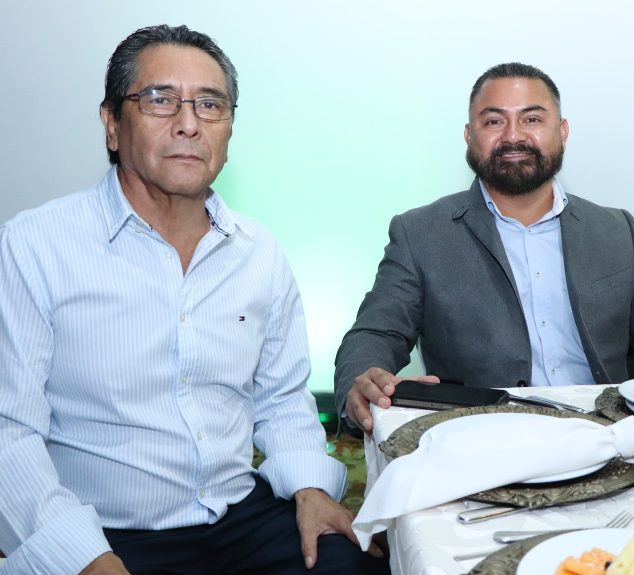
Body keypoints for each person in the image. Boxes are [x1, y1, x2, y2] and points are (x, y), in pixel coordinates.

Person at [0, 25, 386, 574]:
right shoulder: (34, 246)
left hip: (240, 517)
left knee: (356, 564)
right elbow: (9, 434)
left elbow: (280, 400)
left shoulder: (258, 252)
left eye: (210, 104)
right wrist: (83, 557)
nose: (188, 123)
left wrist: (309, 487)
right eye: (159, 99)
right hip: (105, 531)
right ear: (112, 124)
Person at [335, 62, 634, 435]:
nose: (513, 136)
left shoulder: (615, 229)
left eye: (532, 119)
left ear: (562, 131)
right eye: (493, 121)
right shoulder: (421, 233)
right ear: (469, 136)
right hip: (483, 436)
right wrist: (363, 378)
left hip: (606, 432)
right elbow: (376, 332)